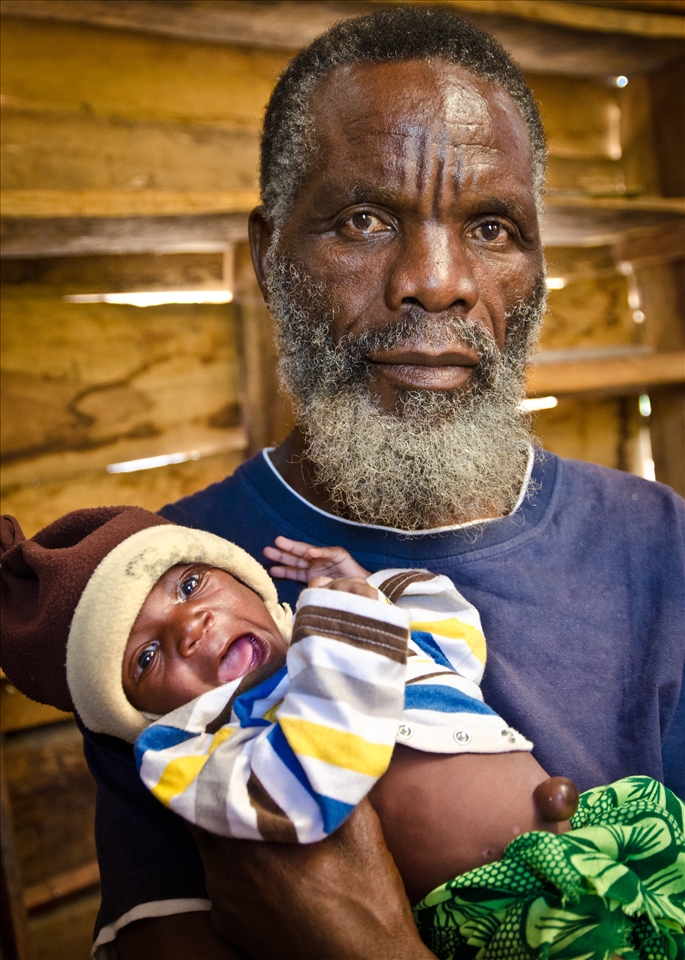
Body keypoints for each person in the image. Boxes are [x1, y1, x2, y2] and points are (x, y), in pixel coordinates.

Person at [10, 7, 685, 959]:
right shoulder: (159, 604)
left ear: (535, 264)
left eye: (491, 227)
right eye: (364, 219)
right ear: (266, 254)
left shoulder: (664, 544)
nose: (437, 281)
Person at [3, 509, 682, 960]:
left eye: (188, 583)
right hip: (499, 912)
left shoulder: (332, 628)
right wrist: (344, 634)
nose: (191, 626)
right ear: (136, 712)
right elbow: (307, 797)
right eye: (146, 657)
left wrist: (367, 595)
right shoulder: (205, 753)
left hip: (606, 837)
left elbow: (453, 639)